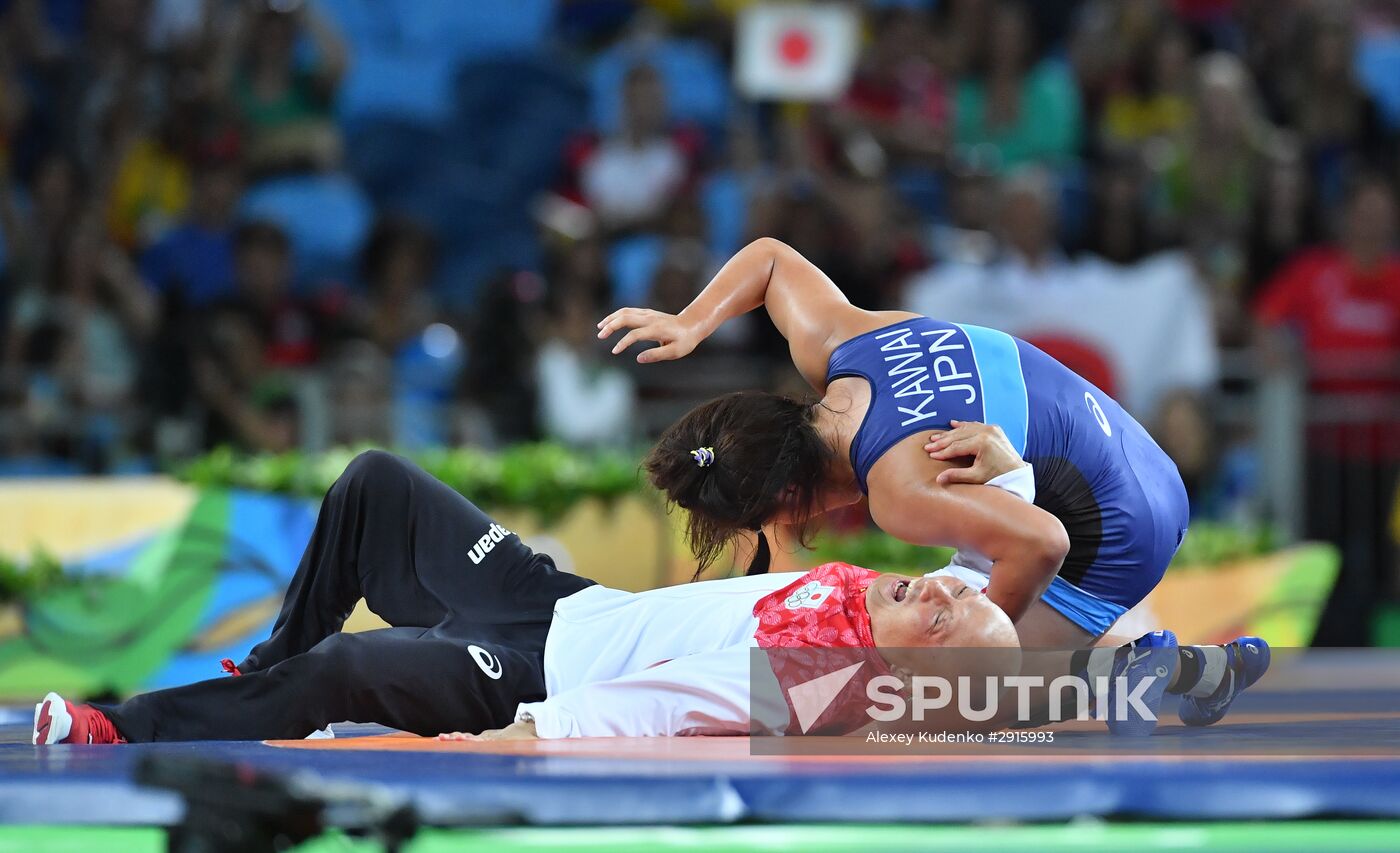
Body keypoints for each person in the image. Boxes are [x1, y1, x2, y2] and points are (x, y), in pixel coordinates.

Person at [598, 236, 1268, 731]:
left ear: (791, 499)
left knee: (945, 691)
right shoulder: (840, 340)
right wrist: (692, 320)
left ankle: (1118, 679)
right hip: (1141, 455)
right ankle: (1194, 669)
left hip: (1121, 525)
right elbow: (771, 260)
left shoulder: (899, 489)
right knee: (956, 641)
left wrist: (975, 644)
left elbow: (1043, 542)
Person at [33, 449, 1021, 746]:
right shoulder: (916, 606)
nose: (939, 589)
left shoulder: (819, 678)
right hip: (555, 601)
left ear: (907, 674)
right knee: (377, 483)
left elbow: (668, 702)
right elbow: (988, 569)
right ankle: (262, 667)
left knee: (342, 671)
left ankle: (122, 727)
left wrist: (519, 738)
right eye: (948, 590)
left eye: (942, 616)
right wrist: (1010, 470)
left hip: (527, 675)